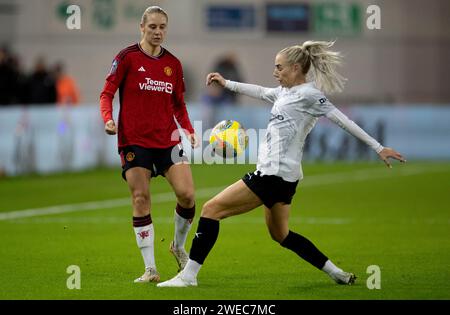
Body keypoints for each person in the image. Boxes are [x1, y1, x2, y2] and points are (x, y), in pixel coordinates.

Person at [158, 40, 406, 287]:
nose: (275, 72)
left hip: (272, 175)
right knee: (281, 234)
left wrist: (378, 147)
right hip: (286, 178)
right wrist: (227, 83)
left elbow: (343, 121)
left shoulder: (310, 96)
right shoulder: (285, 92)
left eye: (279, 67)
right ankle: (336, 272)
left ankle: (188, 276)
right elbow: (260, 91)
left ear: (296, 68)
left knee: (211, 210)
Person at [99, 6, 198, 283]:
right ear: (142, 27)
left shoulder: (173, 65)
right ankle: (151, 269)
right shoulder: (127, 58)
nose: (158, 32)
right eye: (152, 26)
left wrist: (188, 129)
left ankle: (178, 247)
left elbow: (178, 104)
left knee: (188, 195)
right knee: (141, 198)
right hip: (134, 139)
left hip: (167, 138)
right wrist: (108, 119)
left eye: (162, 27)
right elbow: (106, 94)